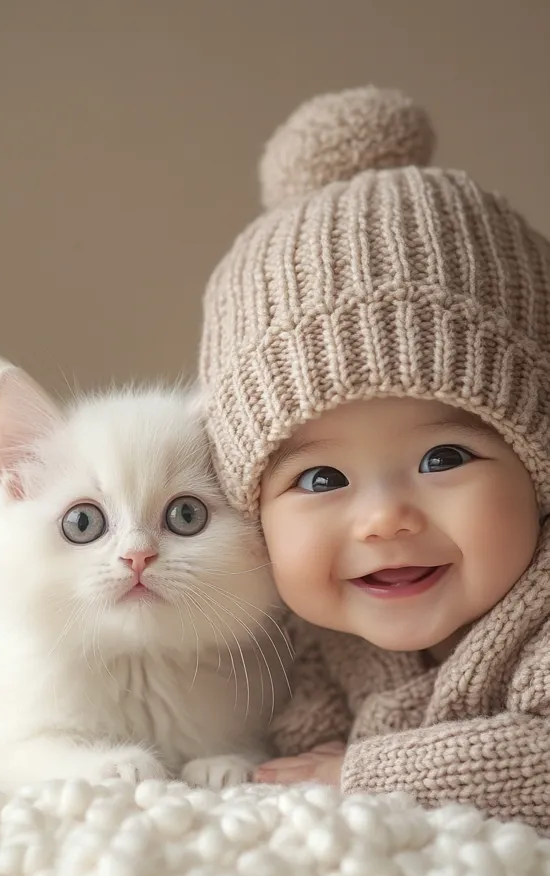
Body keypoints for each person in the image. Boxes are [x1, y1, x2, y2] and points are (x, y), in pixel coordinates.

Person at [199, 86, 550, 831]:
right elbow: (295, 747)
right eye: (321, 478)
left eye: (445, 455)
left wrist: (365, 772)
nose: (385, 517)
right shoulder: (309, 639)